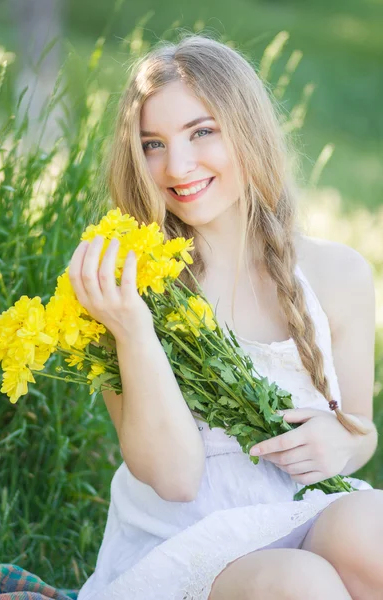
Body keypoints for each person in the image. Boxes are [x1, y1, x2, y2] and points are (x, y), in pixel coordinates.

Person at [70, 34, 382, 600]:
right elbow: (174, 479)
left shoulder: (340, 275)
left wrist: (341, 443)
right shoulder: (130, 289)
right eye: (153, 144)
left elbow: (360, 430)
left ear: (248, 128)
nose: (178, 166)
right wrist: (133, 326)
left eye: (201, 132)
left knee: (373, 529)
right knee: (301, 584)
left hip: (302, 508)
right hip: (187, 544)